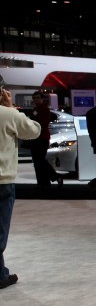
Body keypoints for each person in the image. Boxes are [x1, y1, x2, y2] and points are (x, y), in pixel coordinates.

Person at [0, 75, 42, 290]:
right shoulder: (8, 115)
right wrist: (11, 107)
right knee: (0, 229)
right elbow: (33, 130)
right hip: (2, 180)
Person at [27, 90, 62, 188]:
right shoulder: (35, 109)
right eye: (34, 98)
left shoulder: (45, 109)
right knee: (37, 162)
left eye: (38, 97)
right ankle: (43, 183)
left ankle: (55, 177)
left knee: (40, 161)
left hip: (42, 138)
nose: (36, 99)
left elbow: (43, 124)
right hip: (35, 138)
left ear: (42, 99)